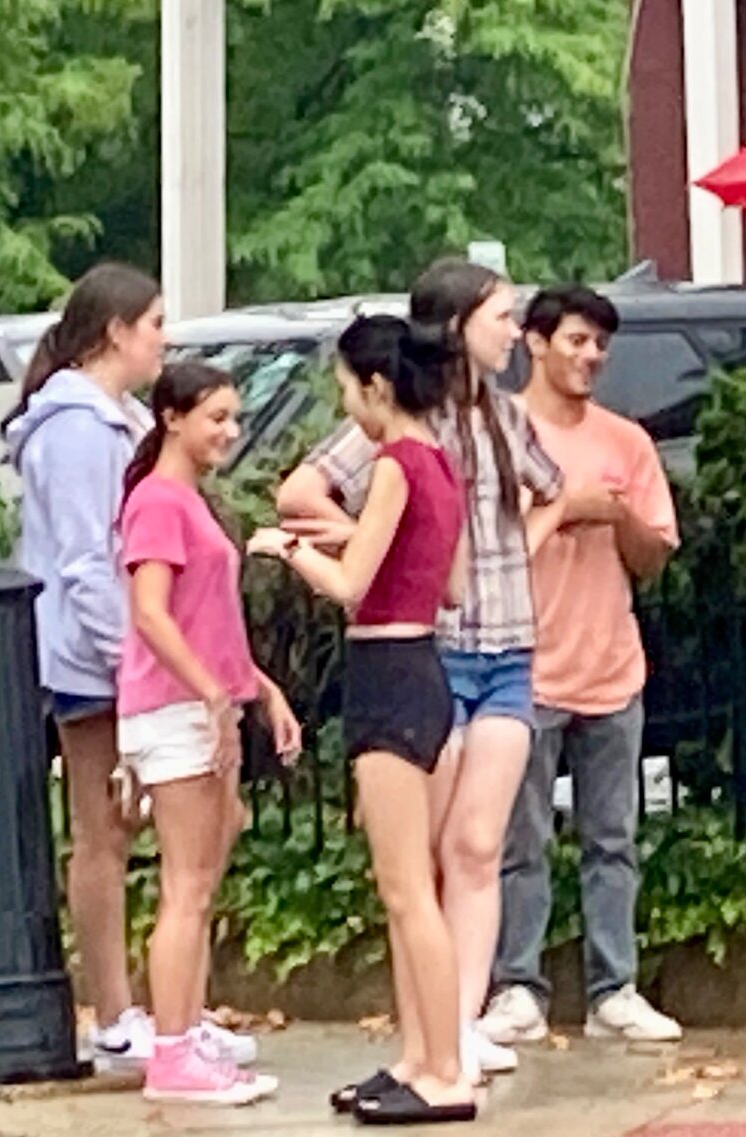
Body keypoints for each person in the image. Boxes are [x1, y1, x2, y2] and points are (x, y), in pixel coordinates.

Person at [275, 259, 563, 1081]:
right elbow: (305, 489)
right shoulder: (404, 427)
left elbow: (552, 492)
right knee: (426, 855)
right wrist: (365, 535)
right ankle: (432, 1037)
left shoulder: (502, 421)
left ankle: (457, 1027)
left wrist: (519, 549)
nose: (513, 332)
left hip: (501, 644)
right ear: (455, 323)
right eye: (501, 316)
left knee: (475, 842)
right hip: (437, 649)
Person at [2, 263, 253, 1072]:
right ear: (114, 331)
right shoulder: (76, 427)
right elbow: (85, 562)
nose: (163, 339)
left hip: (123, 657)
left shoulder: (107, 419)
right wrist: (130, 660)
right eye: (153, 324)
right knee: (104, 829)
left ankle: (169, 1009)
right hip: (95, 656)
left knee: (153, 828)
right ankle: (115, 1013)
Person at [252, 316, 476, 1124]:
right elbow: (447, 583)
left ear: (377, 387)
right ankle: (418, 1055)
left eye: (347, 390)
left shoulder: (394, 464)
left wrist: (285, 547)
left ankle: (446, 1068)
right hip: (426, 670)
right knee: (407, 884)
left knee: (409, 888)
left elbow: (348, 585)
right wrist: (357, 543)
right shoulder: (442, 465)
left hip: (386, 672)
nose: (347, 405)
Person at [480, 285, 682, 1046]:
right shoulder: (498, 431)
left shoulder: (626, 441)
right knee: (516, 839)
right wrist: (561, 507)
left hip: (610, 663)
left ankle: (615, 986)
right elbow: (486, 552)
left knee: (612, 836)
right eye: (575, 340)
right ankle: (517, 985)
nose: (590, 356)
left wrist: (618, 512)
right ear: (534, 343)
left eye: (600, 344)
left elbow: (654, 557)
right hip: (523, 667)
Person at [118, 362, 300, 1104]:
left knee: (203, 872)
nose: (229, 430)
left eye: (232, 417)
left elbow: (206, 620)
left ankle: (185, 1031)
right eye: (215, 417)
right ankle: (171, 1051)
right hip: (175, 707)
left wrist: (259, 688)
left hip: (203, 700)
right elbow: (152, 612)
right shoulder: (160, 503)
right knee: (186, 885)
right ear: (171, 418)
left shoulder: (188, 500)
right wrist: (210, 696)